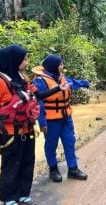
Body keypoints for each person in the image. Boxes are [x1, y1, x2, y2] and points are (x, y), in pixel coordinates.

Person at [0, 45, 69, 205]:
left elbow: (38, 95)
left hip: (27, 130)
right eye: (25, 59)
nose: (27, 62)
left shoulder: (23, 79)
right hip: (9, 133)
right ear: (14, 60)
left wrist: (57, 88)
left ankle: (23, 194)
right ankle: (9, 198)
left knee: (27, 163)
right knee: (11, 165)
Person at [32, 54, 89, 182]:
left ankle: (73, 169)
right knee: (51, 145)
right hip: (51, 120)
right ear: (53, 66)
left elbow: (73, 83)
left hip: (66, 118)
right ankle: (53, 170)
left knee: (70, 142)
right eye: (60, 65)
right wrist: (42, 123)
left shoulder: (61, 78)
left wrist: (85, 83)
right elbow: (39, 102)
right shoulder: (40, 81)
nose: (62, 67)